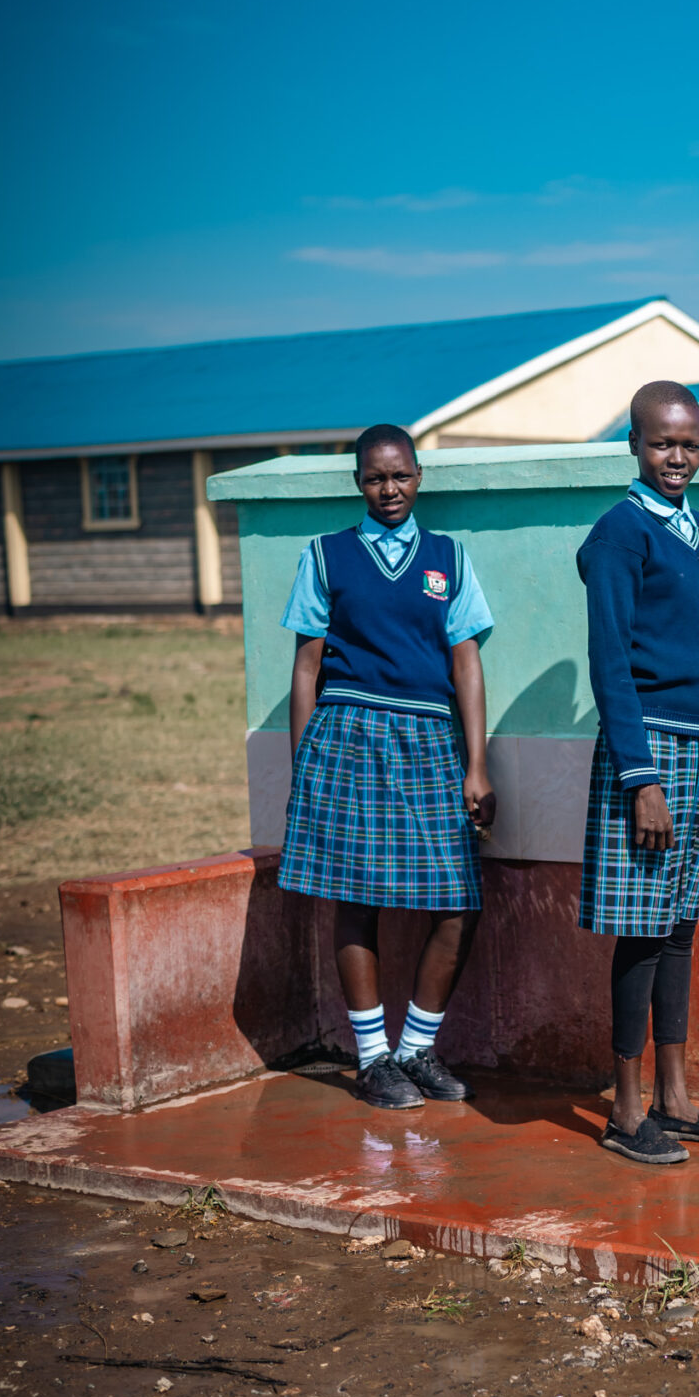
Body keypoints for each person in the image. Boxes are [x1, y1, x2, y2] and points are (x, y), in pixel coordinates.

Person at [277, 423, 496, 1109]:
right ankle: (372, 1058)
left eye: (400, 475)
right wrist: (303, 763)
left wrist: (477, 764)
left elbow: (466, 663)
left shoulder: (450, 558)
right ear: (358, 484)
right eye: (375, 478)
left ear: (418, 476)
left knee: (459, 903)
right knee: (357, 900)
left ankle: (415, 1051)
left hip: (432, 741)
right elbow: (306, 666)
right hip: (349, 738)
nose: (389, 488)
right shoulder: (325, 556)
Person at [576, 382, 699, 1165]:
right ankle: (625, 1110)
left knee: (681, 928)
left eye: (689, 444)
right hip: (649, 752)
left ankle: (676, 1100)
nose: (676, 457)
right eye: (661, 444)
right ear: (634, 444)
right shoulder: (620, 535)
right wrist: (639, 778)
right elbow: (610, 661)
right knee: (643, 933)